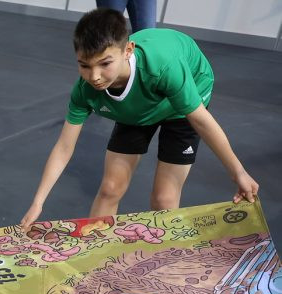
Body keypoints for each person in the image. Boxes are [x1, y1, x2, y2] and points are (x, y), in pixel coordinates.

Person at [21, 8, 258, 230]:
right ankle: (93, 249)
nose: (94, 77)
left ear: (128, 51)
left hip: (184, 97)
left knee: (164, 199)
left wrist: (238, 172)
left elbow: (202, 121)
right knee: (110, 188)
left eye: (105, 64)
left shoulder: (163, 68)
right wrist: (38, 202)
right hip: (136, 108)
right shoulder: (85, 90)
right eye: (84, 65)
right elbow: (64, 147)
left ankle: (162, 252)